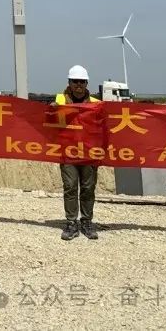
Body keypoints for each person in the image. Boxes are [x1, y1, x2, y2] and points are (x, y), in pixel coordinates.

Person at [53, 65, 100, 240]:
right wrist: (52, 110)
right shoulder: (60, 100)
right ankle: (71, 223)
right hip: (68, 151)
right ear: (69, 83)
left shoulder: (96, 104)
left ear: (87, 83)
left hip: (89, 152)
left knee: (88, 188)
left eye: (82, 81)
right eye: (75, 81)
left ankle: (86, 222)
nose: (78, 85)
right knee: (70, 186)